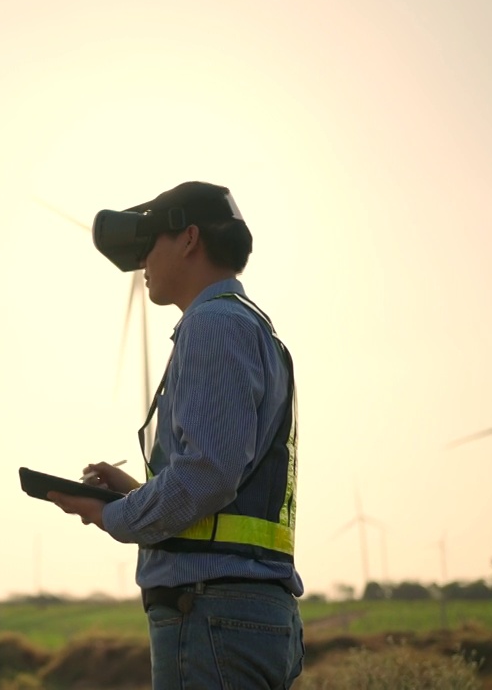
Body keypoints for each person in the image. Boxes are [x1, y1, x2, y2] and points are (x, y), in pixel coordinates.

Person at [47, 180, 304, 689]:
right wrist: (137, 492)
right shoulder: (253, 328)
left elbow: (208, 473)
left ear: (189, 239)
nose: (143, 264)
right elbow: (226, 479)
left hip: (211, 611)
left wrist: (113, 515)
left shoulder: (213, 325)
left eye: (150, 246)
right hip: (246, 611)